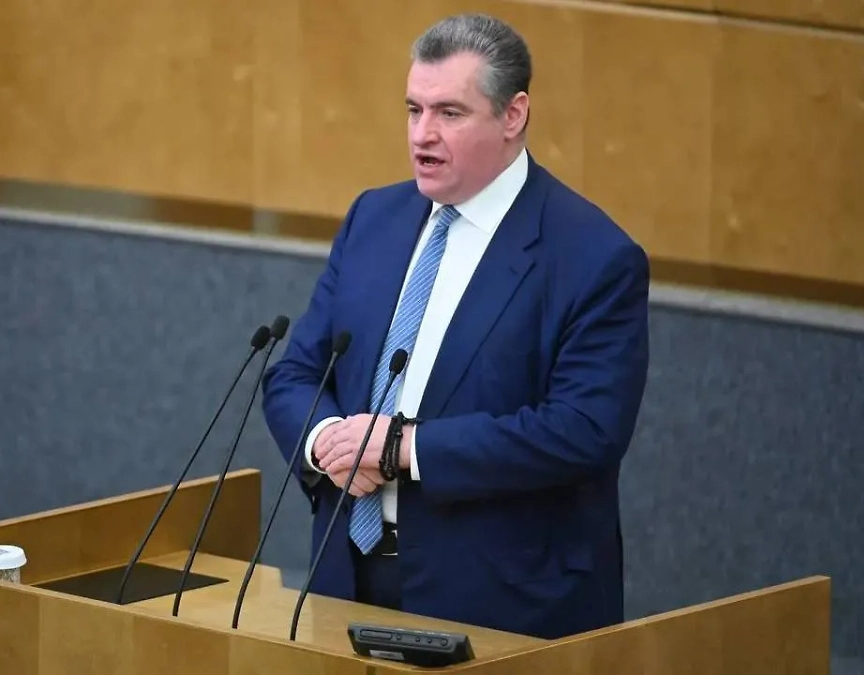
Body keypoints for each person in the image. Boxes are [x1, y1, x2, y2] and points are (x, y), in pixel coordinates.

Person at [260, 13, 650, 640]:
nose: (423, 134)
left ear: (513, 115)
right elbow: (297, 374)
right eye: (413, 110)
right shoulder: (374, 218)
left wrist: (403, 447)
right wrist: (330, 441)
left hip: (499, 602)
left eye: (449, 113)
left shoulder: (592, 257)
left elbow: (584, 429)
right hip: (346, 581)